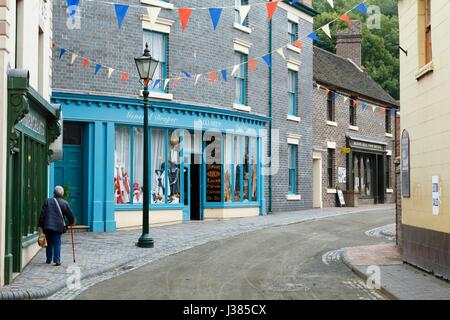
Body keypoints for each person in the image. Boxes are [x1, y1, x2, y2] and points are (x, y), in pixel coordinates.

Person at [38, 186, 75, 266]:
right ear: (62, 194)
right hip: (58, 226)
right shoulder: (65, 203)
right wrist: (71, 222)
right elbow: (70, 215)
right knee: (57, 242)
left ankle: (48, 259)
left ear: (54, 193)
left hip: (47, 226)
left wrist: (40, 225)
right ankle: (57, 260)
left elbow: (42, 214)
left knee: (49, 242)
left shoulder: (48, 201)